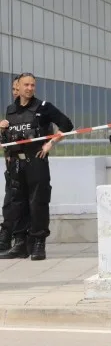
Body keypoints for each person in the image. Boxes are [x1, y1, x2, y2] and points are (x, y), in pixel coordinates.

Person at [0, 73, 73, 261]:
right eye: (26, 85)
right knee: (17, 204)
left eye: (33, 85)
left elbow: (67, 125)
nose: (30, 88)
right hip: (16, 163)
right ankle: (20, 244)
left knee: (37, 202)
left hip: (36, 162)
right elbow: (8, 139)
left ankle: (38, 243)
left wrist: (50, 144)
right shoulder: (11, 110)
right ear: (18, 86)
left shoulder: (43, 107)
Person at [0, 76, 30, 255]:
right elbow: (5, 142)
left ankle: (22, 239)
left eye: (16, 88)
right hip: (12, 165)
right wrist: (2, 131)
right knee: (10, 202)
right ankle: (6, 237)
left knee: (26, 203)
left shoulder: (34, 111)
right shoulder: (10, 111)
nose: (14, 92)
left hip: (29, 163)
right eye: (12, 89)